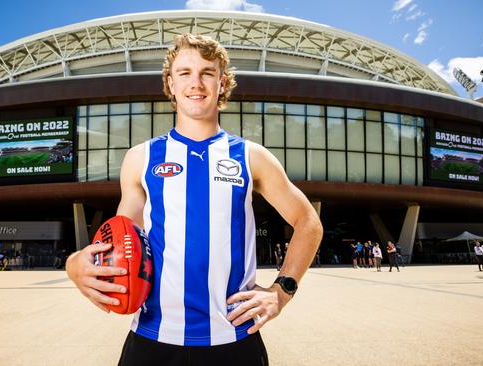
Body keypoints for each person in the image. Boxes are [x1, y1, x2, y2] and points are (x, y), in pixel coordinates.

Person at [66, 33, 323, 365]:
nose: (196, 82)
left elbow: (308, 223)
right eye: (184, 73)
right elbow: (122, 236)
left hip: (234, 339)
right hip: (152, 339)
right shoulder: (140, 158)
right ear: (170, 84)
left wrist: (282, 291)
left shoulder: (252, 156)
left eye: (207, 72)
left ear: (222, 82)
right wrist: (75, 264)